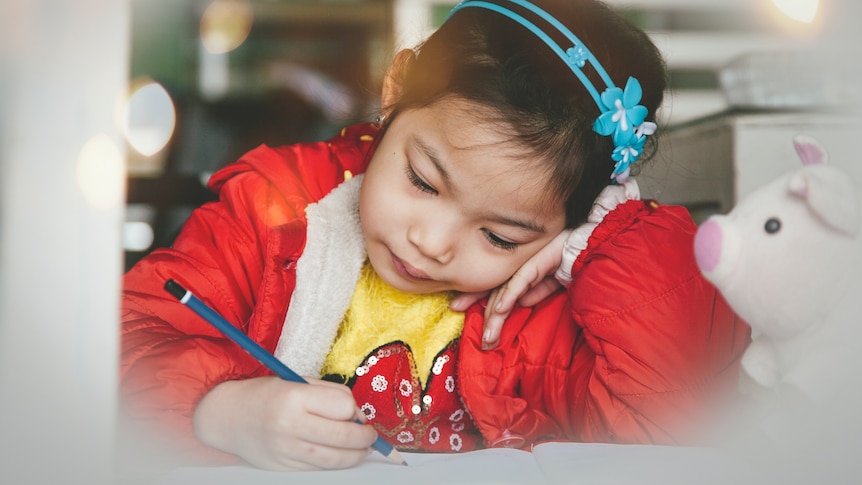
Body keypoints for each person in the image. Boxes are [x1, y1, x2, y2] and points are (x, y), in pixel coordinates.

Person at [118, 0, 749, 473]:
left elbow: (674, 428)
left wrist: (611, 237)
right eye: (423, 181)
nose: (433, 243)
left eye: (500, 237)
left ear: (568, 225)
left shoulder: (558, 295)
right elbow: (117, 348)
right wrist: (219, 411)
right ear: (396, 91)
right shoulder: (273, 210)